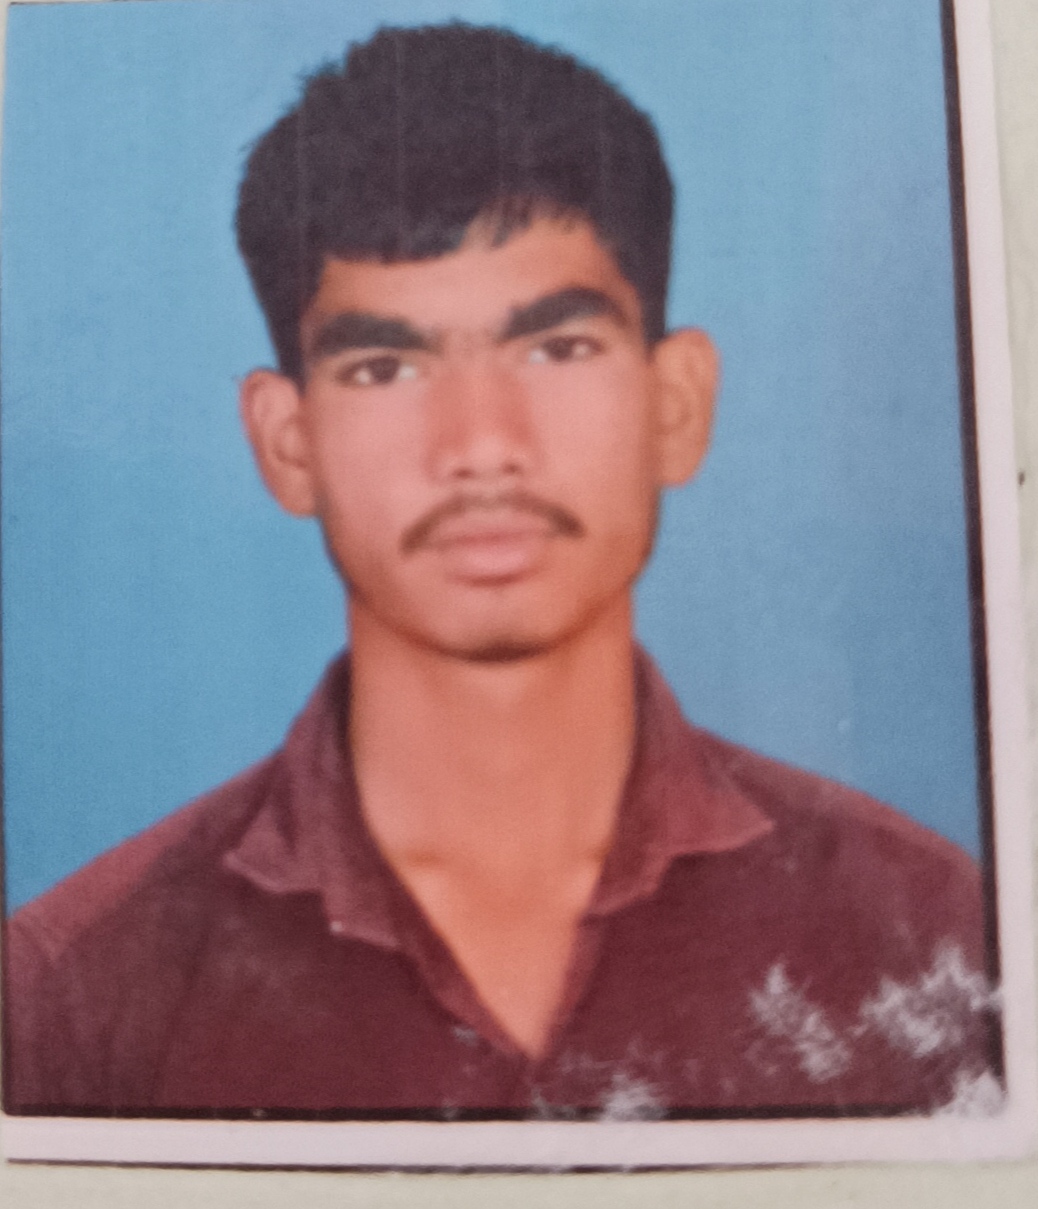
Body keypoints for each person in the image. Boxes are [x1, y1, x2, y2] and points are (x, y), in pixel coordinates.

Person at [3, 23, 999, 1119]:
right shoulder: (72, 994)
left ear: (676, 404)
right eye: (385, 365)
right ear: (287, 442)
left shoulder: (930, 932)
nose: (481, 443)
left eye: (557, 348)